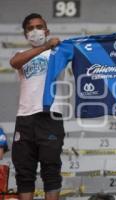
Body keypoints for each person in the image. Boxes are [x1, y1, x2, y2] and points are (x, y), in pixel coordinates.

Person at [9, 13, 65, 200]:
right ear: (26, 34)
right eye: (30, 28)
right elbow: (14, 62)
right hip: (25, 118)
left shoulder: (59, 52)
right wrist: (45, 46)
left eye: (39, 27)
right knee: (24, 172)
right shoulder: (21, 56)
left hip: (50, 116)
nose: (35, 31)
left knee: (51, 171)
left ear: (46, 30)